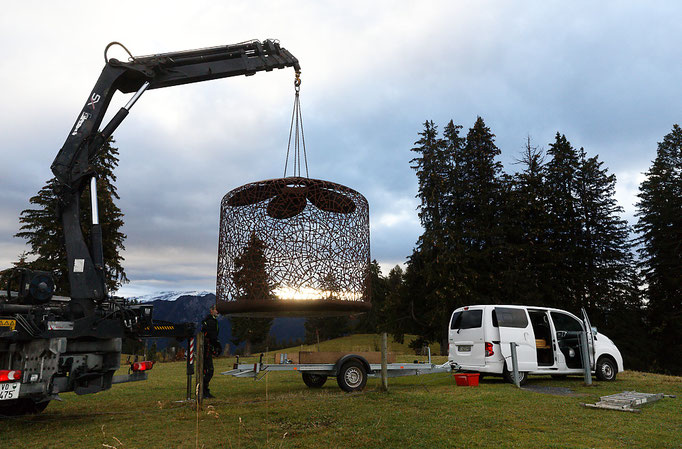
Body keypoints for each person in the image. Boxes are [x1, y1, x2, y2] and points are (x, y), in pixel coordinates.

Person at [201, 305, 220, 398]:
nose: (218, 312)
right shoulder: (211, 322)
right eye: (216, 310)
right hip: (206, 349)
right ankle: (204, 391)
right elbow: (213, 337)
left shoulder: (209, 321)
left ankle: (204, 390)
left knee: (206, 370)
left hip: (205, 348)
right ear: (211, 311)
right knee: (209, 370)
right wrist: (217, 346)